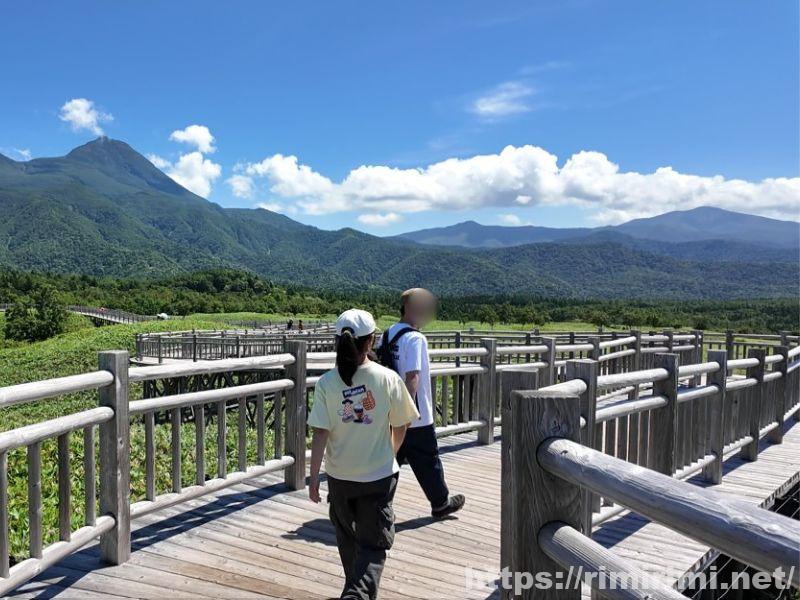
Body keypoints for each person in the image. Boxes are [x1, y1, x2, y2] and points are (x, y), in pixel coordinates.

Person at [308, 309, 419, 600]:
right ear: (370, 342)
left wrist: (312, 478)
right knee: (373, 544)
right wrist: (391, 452)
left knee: (347, 538)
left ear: (337, 342)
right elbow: (402, 422)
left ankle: (353, 590)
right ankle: (357, 594)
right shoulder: (387, 378)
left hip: (339, 476)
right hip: (378, 475)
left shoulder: (326, 383)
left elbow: (320, 432)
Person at [380, 288, 465, 518]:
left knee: (387, 462)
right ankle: (440, 503)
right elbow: (413, 377)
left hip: (388, 413)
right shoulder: (416, 339)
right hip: (414, 415)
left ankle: (378, 507)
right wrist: (406, 411)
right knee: (428, 460)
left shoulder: (386, 335)